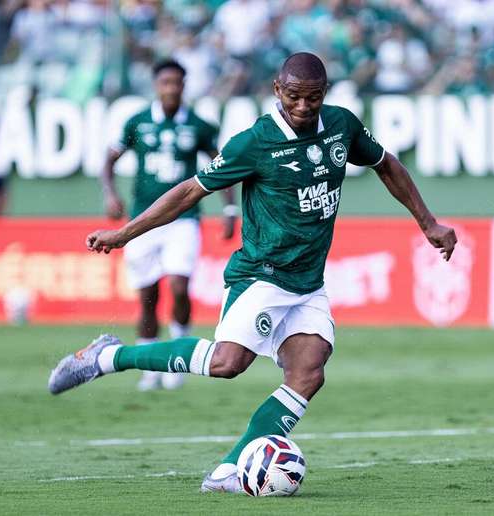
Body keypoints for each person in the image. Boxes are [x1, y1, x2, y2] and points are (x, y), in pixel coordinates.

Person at [48, 52, 457, 493]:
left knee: (309, 372)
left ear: (325, 95)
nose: (303, 107)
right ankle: (109, 357)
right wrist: (125, 233)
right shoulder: (256, 142)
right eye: (295, 97)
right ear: (278, 91)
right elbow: (189, 191)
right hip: (261, 274)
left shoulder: (343, 126)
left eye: (314, 98)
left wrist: (428, 222)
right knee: (227, 363)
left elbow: (387, 165)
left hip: (307, 282)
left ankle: (227, 469)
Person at [101, 58, 236, 391]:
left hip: (183, 219)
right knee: (148, 294)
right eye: (166, 82)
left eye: (177, 82)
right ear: (156, 85)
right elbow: (109, 160)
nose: (172, 88)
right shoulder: (138, 122)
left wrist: (230, 209)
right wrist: (110, 194)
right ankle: (150, 366)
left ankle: (179, 356)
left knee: (178, 286)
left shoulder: (200, 126)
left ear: (184, 86)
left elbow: (224, 166)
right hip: (143, 221)